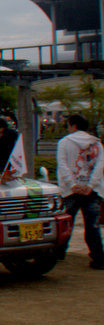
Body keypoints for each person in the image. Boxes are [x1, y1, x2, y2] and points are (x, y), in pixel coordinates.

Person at [56, 114, 104, 270]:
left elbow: (62, 165)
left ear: (73, 125)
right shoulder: (97, 144)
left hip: (70, 190)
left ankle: (58, 253)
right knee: (92, 225)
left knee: (65, 223)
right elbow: (99, 167)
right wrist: (90, 185)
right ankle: (98, 257)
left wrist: (72, 184)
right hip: (92, 190)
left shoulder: (64, 142)